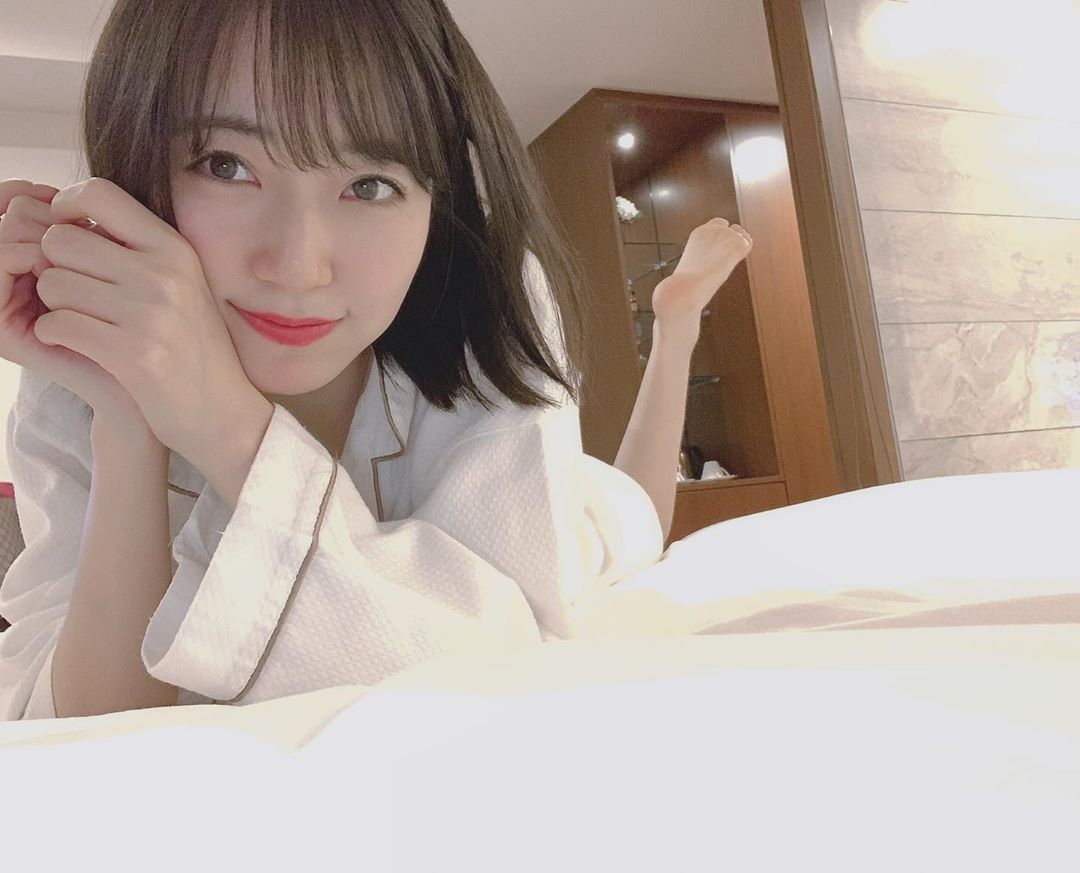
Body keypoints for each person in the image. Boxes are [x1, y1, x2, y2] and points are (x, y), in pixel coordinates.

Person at [0, 0, 751, 721]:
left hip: (549, 496)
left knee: (633, 516)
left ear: (435, 201)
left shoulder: (481, 299)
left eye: (369, 184)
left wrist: (225, 423)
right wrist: (128, 413)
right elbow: (91, 726)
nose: (298, 266)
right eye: (224, 165)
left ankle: (675, 323)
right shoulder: (87, 341)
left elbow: (498, 668)